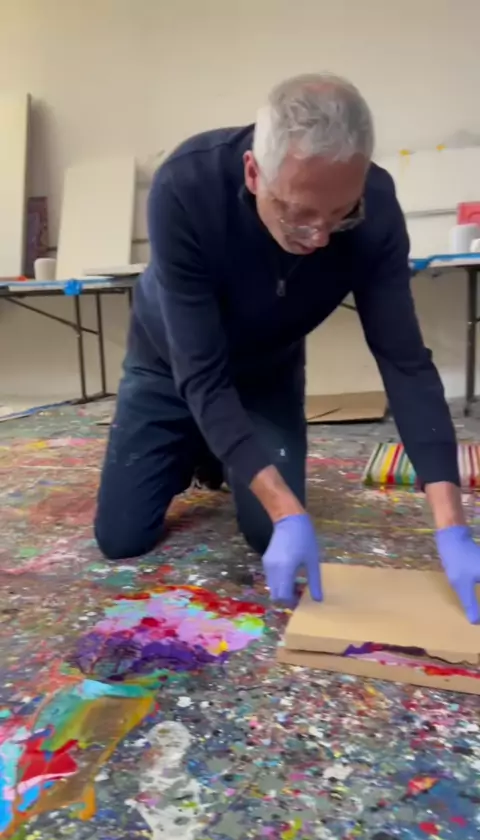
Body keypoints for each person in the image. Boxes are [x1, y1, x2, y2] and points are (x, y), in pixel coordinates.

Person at [95, 73, 480, 623]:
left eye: (340, 214)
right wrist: (286, 509)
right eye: (298, 213)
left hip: (266, 372)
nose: (319, 237)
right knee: (122, 539)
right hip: (170, 365)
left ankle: (223, 452)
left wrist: (451, 526)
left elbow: (404, 363)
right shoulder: (186, 186)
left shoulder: (376, 209)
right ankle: (197, 448)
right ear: (254, 172)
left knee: (263, 534)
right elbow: (200, 373)